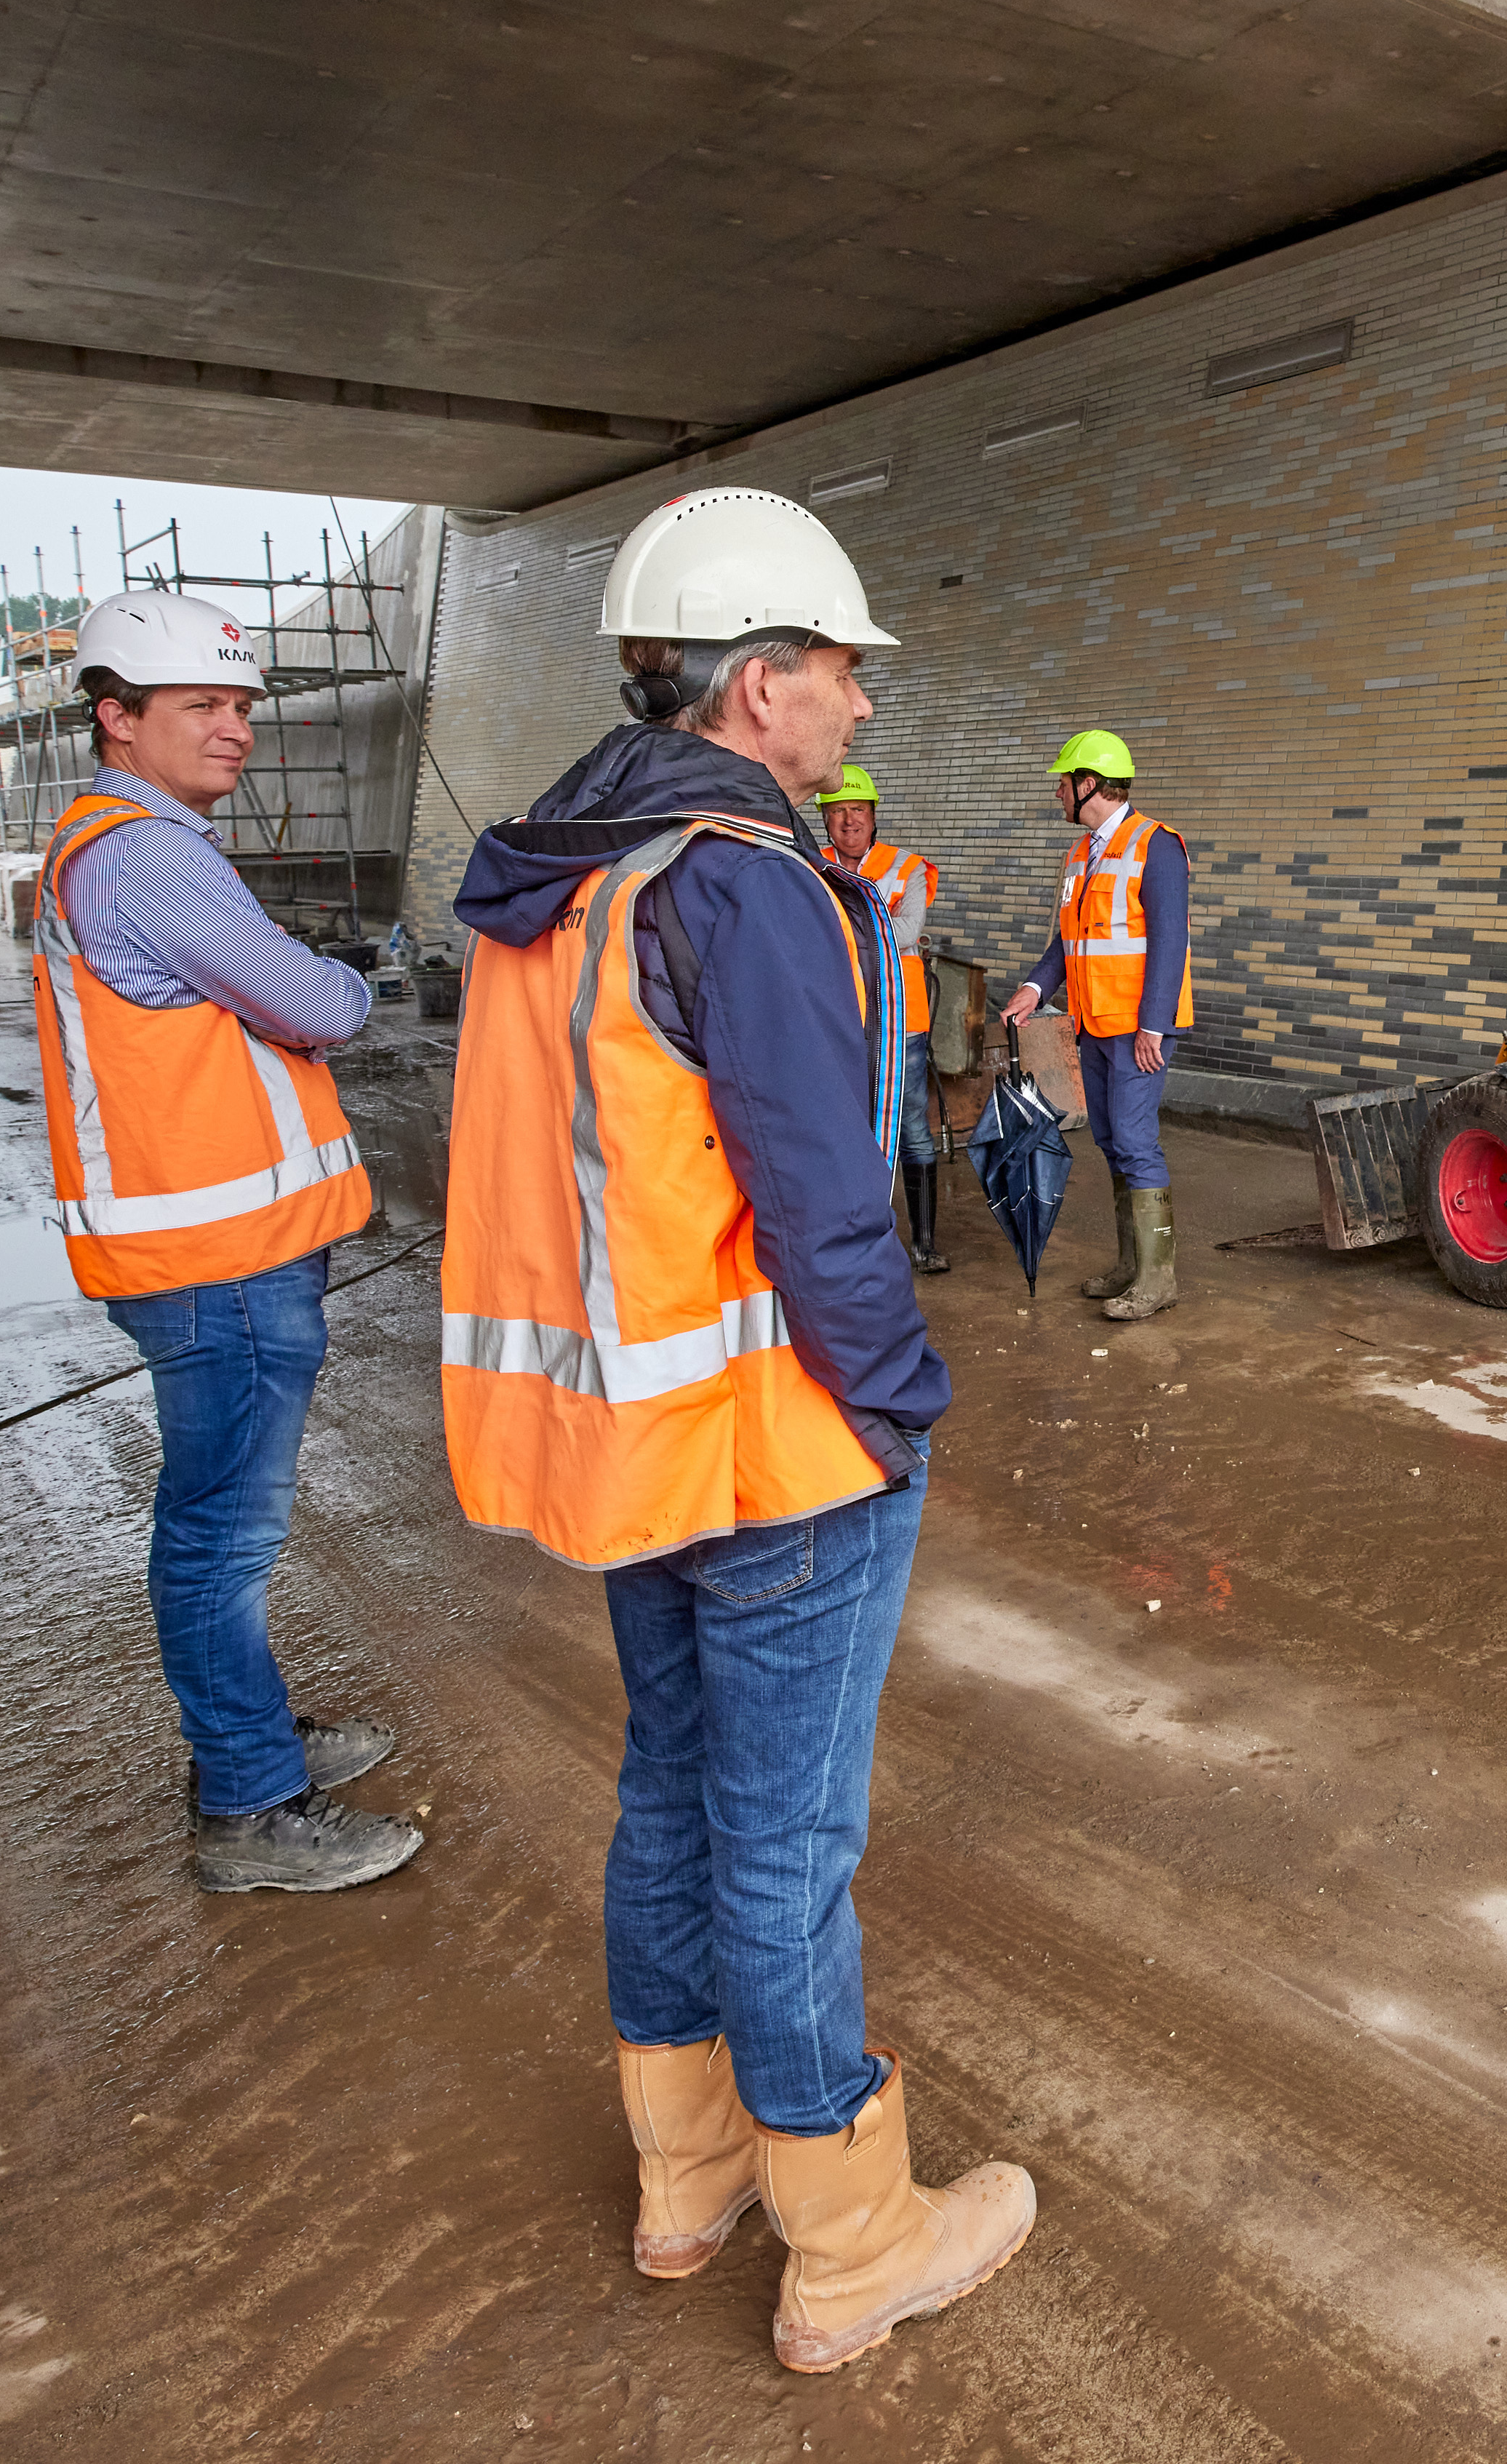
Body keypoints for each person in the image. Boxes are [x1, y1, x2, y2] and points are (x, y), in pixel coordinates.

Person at [441, 486, 1029, 2375]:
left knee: (672, 1806)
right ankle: (856, 2240)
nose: (859, 708)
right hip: (778, 1444)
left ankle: (687, 2179)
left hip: (638, 1440)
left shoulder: (563, 873)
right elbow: (820, 1198)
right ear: (760, 681)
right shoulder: (741, 878)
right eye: (843, 672)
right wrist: (903, 1399)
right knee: (785, 1848)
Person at [34, 588, 414, 1897]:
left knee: (221, 1528)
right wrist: (344, 978)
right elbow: (319, 1006)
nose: (235, 729)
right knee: (220, 1537)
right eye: (200, 704)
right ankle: (250, 1807)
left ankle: (245, 1738)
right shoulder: (146, 855)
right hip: (219, 1263)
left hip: (217, 1252)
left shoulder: (119, 841)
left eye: (242, 705)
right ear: (116, 717)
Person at [997, 730, 1192, 1323]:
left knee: (1135, 1142)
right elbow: (1070, 942)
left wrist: (1154, 1026)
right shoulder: (1083, 854)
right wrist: (1033, 991)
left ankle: (1159, 1280)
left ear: (1090, 785)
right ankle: (1132, 1268)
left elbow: (1169, 941)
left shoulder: (1156, 846)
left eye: (1063, 782)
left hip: (1138, 1032)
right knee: (1110, 1144)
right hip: (1095, 1025)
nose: (1058, 793)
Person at [819, 762, 951, 1276]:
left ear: (874, 817)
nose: (849, 821)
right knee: (842, 1123)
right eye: (837, 812)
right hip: (838, 1017)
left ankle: (923, 1242)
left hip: (902, 1023)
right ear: (825, 819)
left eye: (858, 810)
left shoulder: (908, 867)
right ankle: (853, 1236)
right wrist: (873, 921)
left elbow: (907, 930)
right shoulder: (809, 863)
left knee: (913, 1126)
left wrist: (837, 925)